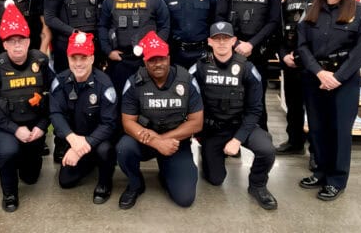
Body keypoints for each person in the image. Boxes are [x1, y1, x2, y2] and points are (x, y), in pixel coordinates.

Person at [296, 0, 361, 201]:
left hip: (344, 81)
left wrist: (337, 78)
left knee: (339, 131)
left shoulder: (359, 11)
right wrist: (319, 72)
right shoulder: (311, 11)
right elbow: (302, 46)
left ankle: (337, 179)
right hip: (316, 78)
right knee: (317, 128)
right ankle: (320, 171)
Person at [191, 21, 277, 210]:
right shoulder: (199, 67)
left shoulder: (248, 69)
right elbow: (190, 101)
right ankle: (208, 154)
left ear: (234, 41)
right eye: (217, 39)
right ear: (209, 42)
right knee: (215, 180)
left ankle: (258, 185)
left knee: (267, 149)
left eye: (226, 38)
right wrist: (197, 131)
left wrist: (237, 140)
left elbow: (255, 109)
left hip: (241, 125)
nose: (221, 43)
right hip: (213, 129)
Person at [116, 31, 203, 209]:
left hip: (175, 143)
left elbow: (196, 122)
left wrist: (163, 140)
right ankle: (135, 184)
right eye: (152, 60)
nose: (158, 64)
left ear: (169, 58)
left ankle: (167, 171)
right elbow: (127, 123)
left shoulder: (186, 80)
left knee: (185, 199)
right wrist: (155, 142)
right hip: (145, 141)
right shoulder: (134, 82)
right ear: (145, 61)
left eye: (161, 59)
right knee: (124, 148)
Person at [0, 0, 54, 212]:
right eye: (11, 41)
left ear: (28, 40)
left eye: (21, 40)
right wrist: (14, 129)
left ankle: (26, 161)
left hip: (35, 126)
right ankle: (10, 193)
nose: (17, 45)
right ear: (4, 44)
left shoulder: (41, 62)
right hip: (7, 126)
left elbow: (53, 97)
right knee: (8, 153)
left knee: (31, 178)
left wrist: (42, 125)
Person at [215, 0, 281, 131]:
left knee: (257, 98)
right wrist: (235, 43)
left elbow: (274, 22)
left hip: (258, 53)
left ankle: (261, 141)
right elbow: (219, 19)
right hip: (232, 53)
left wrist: (251, 44)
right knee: (231, 96)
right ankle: (232, 139)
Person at [49, 32, 118, 204]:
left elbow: (109, 124)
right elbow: (56, 114)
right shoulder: (60, 81)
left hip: (98, 140)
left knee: (105, 150)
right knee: (65, 182)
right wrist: (73, 141)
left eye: (83, 57)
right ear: (68, 58)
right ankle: (88, 160)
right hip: (75, 139)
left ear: (92, 59)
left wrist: (85, 144)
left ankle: (104, 182)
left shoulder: (104, 84)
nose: (78, 63)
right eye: (74, 58)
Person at [98, 0, 170, 95]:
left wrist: (155, 50)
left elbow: (165, 26)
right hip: (120, 61)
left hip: (147, 61)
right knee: (121, 99)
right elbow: (102, 26)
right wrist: (108, 51)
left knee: (147, 99)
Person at [276, 0, 317, 158]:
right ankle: (295, 141)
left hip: (313, 65)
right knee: (293, 106)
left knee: (315, 109)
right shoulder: (288, 0)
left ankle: (317, 152)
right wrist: (283, 55)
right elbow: (281, 32)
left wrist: (302, 56)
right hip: (291, 64)